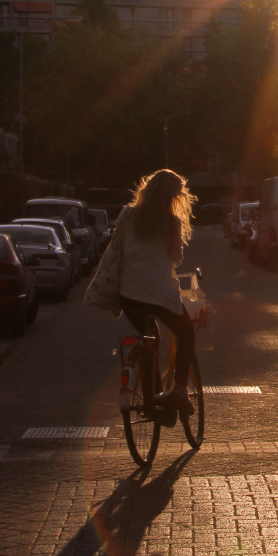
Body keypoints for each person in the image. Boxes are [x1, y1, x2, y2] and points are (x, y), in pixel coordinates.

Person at [118, 169, 199, 415]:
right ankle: (179, 389)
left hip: (128, 293)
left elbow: (117, 246)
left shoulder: (127, 214)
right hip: (159, 294)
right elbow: (176, 259)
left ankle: (152, 400)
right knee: (186, 333)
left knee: (149, 339)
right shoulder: (171, 221)